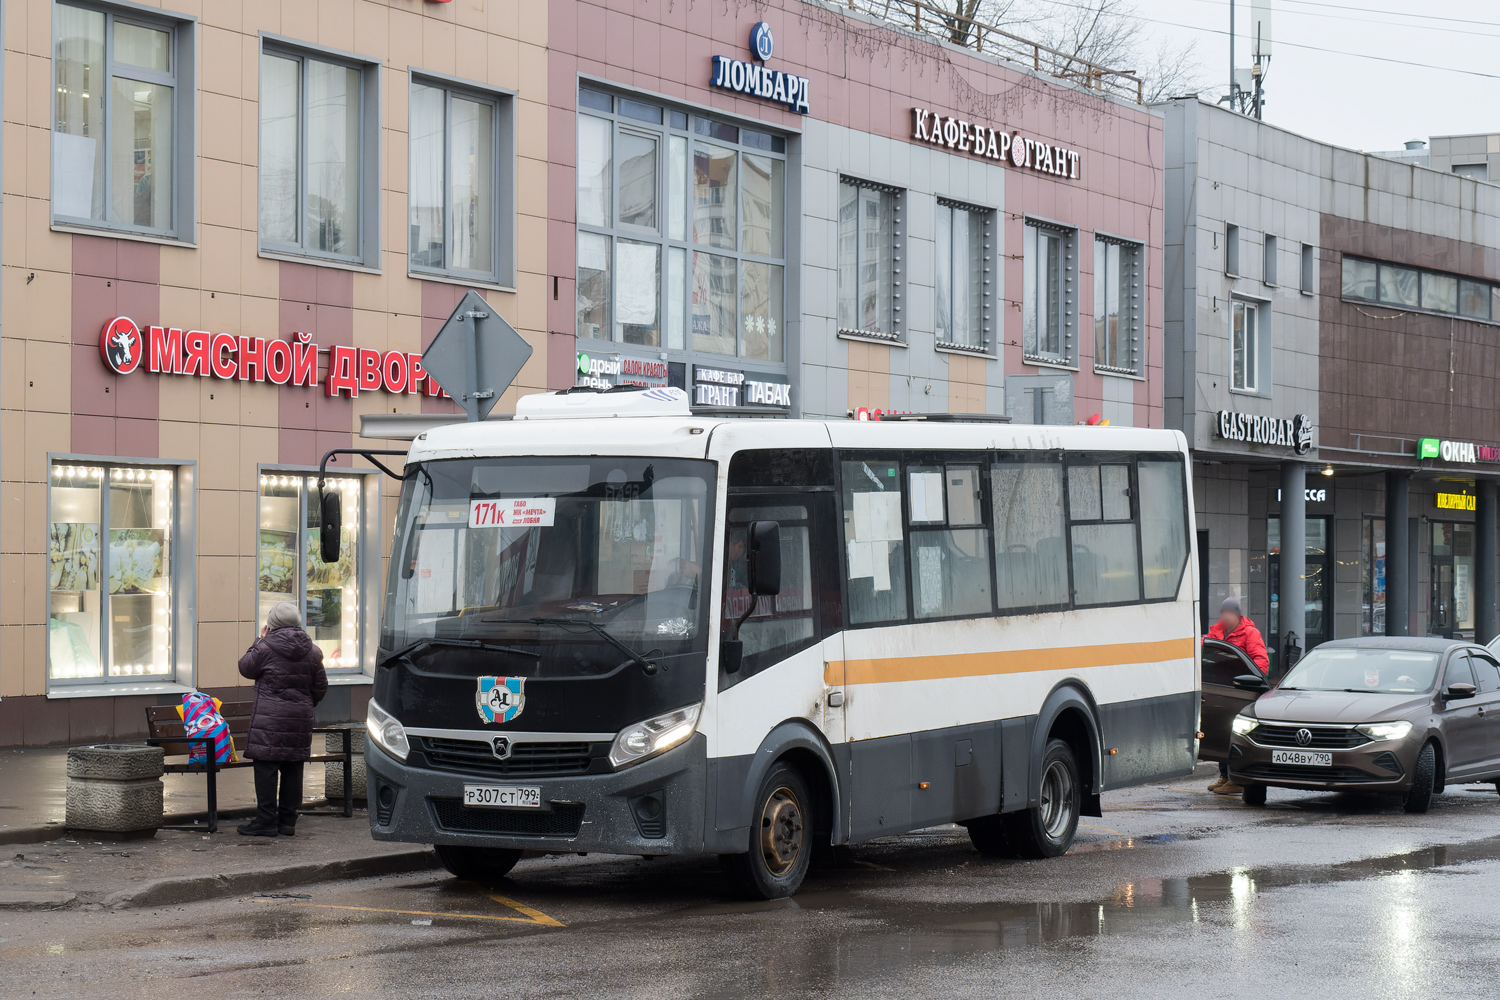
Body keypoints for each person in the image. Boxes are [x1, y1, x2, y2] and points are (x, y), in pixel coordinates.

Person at [237, 602, 328, 836]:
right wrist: (304, 705)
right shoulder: (313, 651)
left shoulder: (266, 647)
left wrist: (259, 640)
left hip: (269, 721)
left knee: (266, 768)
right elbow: (320, 688)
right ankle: (288, 822)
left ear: (272, 623)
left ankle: (266, 821)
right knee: (293, 768)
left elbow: (245, 668)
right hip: (299, 720)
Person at [1205, 597, 1269, 795]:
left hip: (1239, 691)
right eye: (1223, 613)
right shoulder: (1215, 632)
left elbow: (1261, 662)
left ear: (1237, 614)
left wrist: (1250, 680)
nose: (1225, 617)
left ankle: (1235, 778)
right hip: (1220, 690)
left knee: (1234, 735)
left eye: (1229, 613)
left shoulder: (1250, 633)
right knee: (1221, 734)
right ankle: (1225, 775)